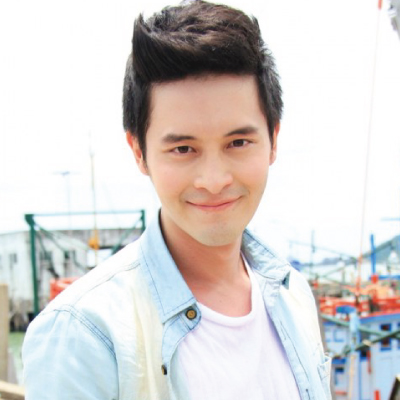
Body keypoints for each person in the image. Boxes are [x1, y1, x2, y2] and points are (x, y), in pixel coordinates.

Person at [22, 1, 332, 399]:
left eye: (238, 142)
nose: (214, 180)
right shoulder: (84, 334)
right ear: (139, 152)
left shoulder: (293, 295)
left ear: (273, 139)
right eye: (183, 149)